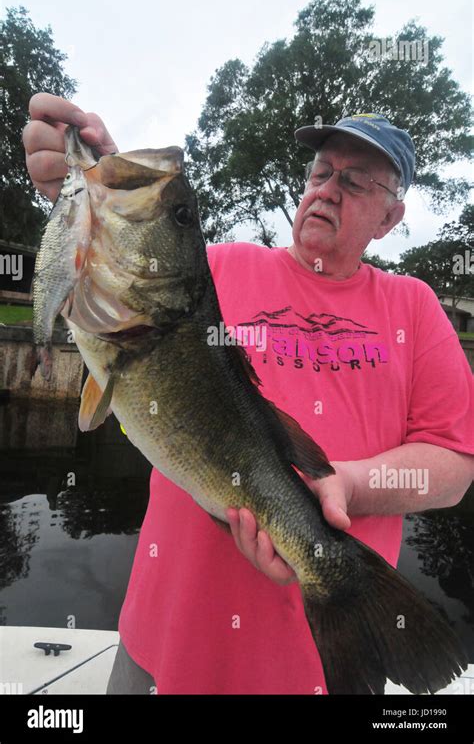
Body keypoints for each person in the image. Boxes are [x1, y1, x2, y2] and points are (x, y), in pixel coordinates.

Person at [23, 96, 474, 694]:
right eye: (320, 172)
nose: (328, 189)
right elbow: (124, 263)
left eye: (356, 181)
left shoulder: (414, 308)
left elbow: (453, 464)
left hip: (313, 669)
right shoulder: (218, 268)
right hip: (162, 645)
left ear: (390, 218)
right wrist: (97, 178)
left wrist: (346, 485)